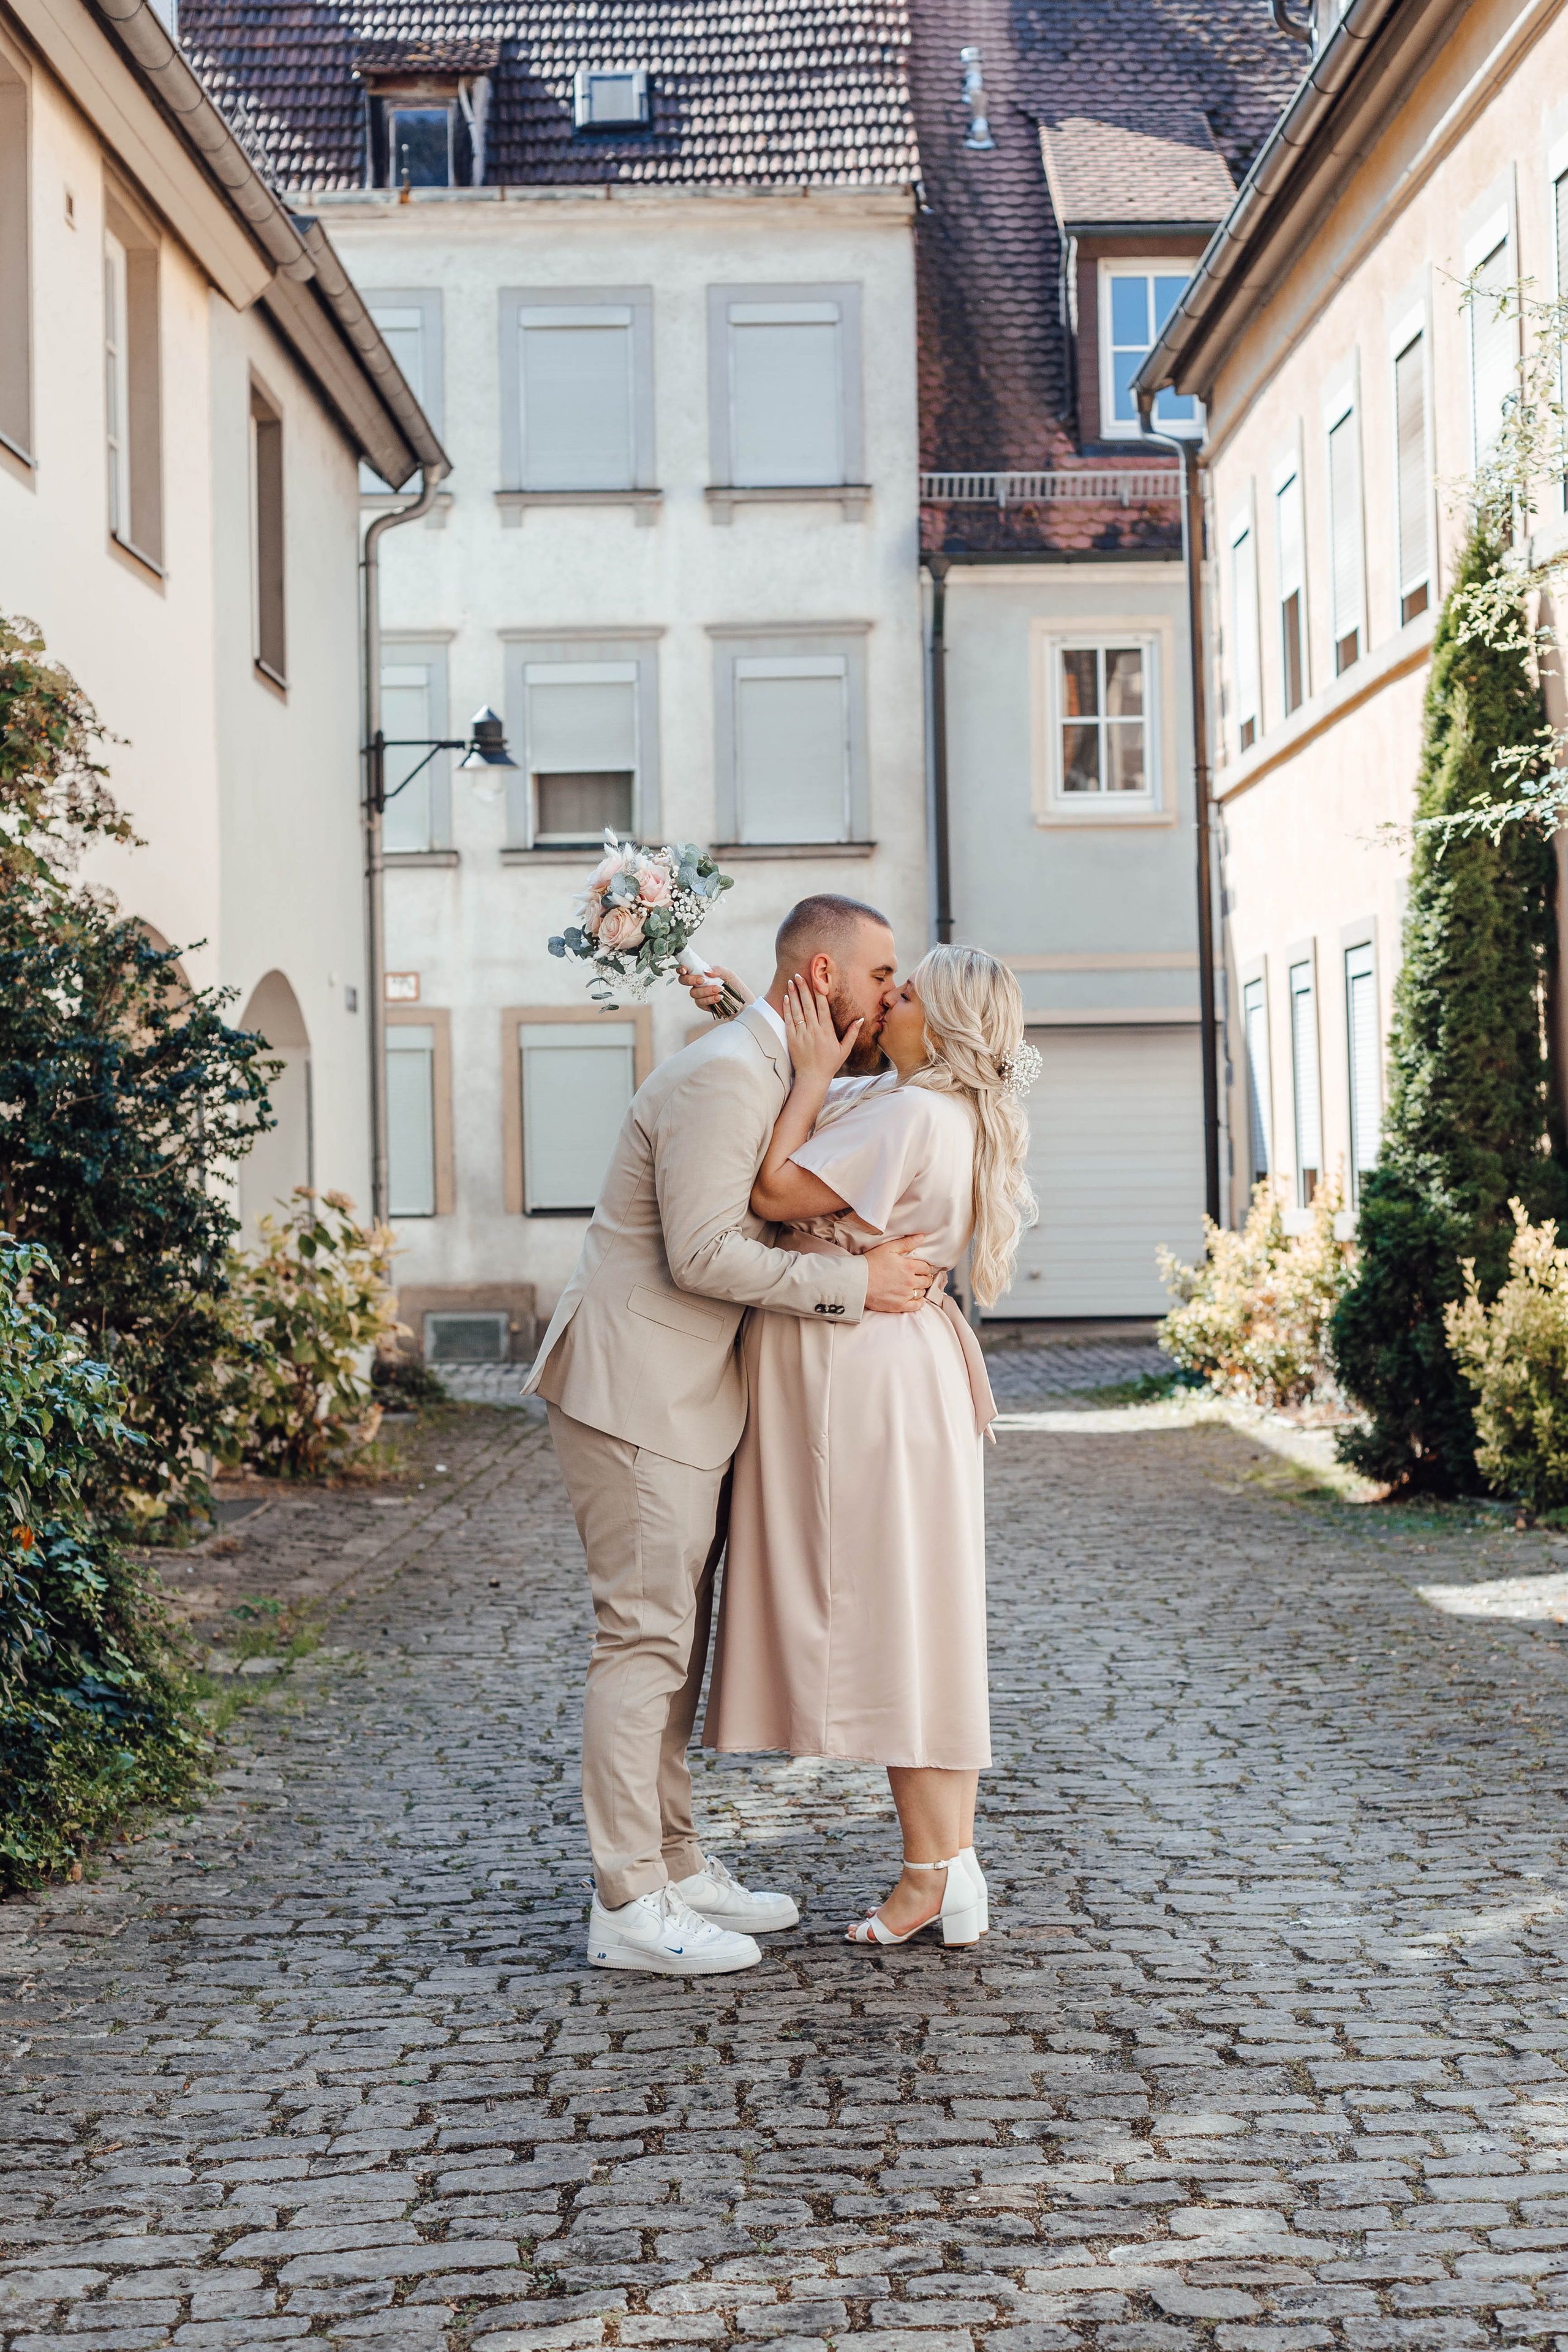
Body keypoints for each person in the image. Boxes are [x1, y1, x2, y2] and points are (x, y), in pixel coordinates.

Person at [522, 895, 941, 1975]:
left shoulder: (767, 1065)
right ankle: (628, 1903)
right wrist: (859, 1282)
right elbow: (705, 1253)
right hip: (636, 1393)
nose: (894, 991)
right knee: (645, 1642)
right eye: (881, 972)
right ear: (818, 976)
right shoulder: (721, 1078)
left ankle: (673, 1861)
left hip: (685, 1396)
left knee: (678, 1641)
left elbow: (880, 1087)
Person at [699, 946, 1036, 1947]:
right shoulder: (929, 1107)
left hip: (868, 1371)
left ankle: (931, 1873)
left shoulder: (912, 1114)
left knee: (898, 1624)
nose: (886, 1001)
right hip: (902, 1364)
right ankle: (950, 1866)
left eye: (905, 993)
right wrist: (743, 1008)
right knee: (925, 1619)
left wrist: (805, 1076)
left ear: (940, 1024)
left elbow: (770, 1193)